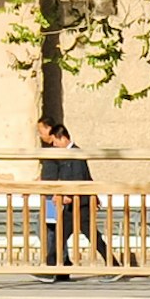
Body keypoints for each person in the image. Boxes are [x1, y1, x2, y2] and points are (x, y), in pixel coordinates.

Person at [36, 116, 97, 277]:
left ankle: (54, 269)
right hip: (66, 200)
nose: (40, 135)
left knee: (61, 233)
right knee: (59, 234)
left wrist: (66, 194)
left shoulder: (71, 153)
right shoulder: (64, 152)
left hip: (73, 201)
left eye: (40, 131)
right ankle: (54, 269)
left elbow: (77, 176)